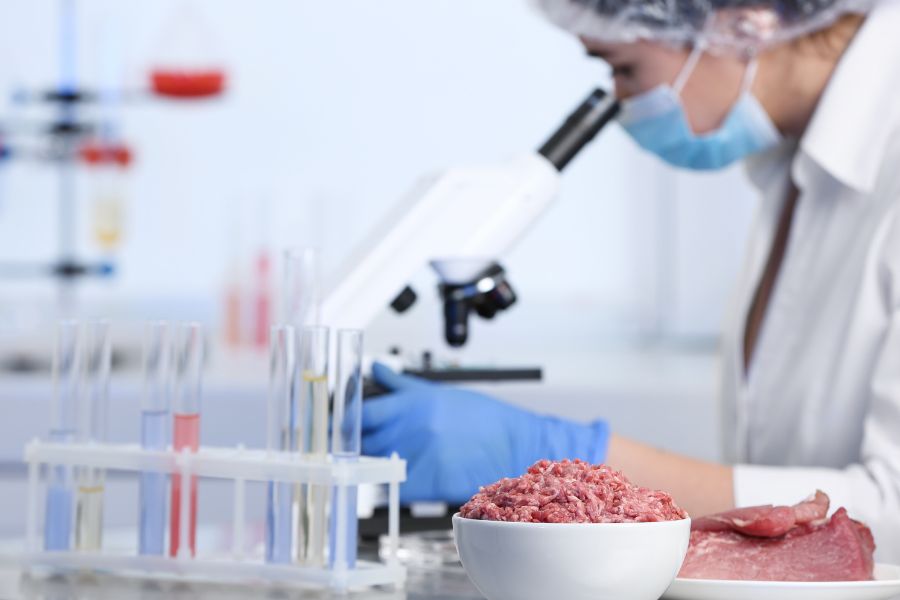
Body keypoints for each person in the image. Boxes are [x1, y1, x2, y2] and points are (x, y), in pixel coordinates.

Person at [362, 0, 900, 561]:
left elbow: (893, 511)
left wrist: (565, 463)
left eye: (623, 68)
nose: (620, 102)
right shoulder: (792, 174)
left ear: (740, 22)